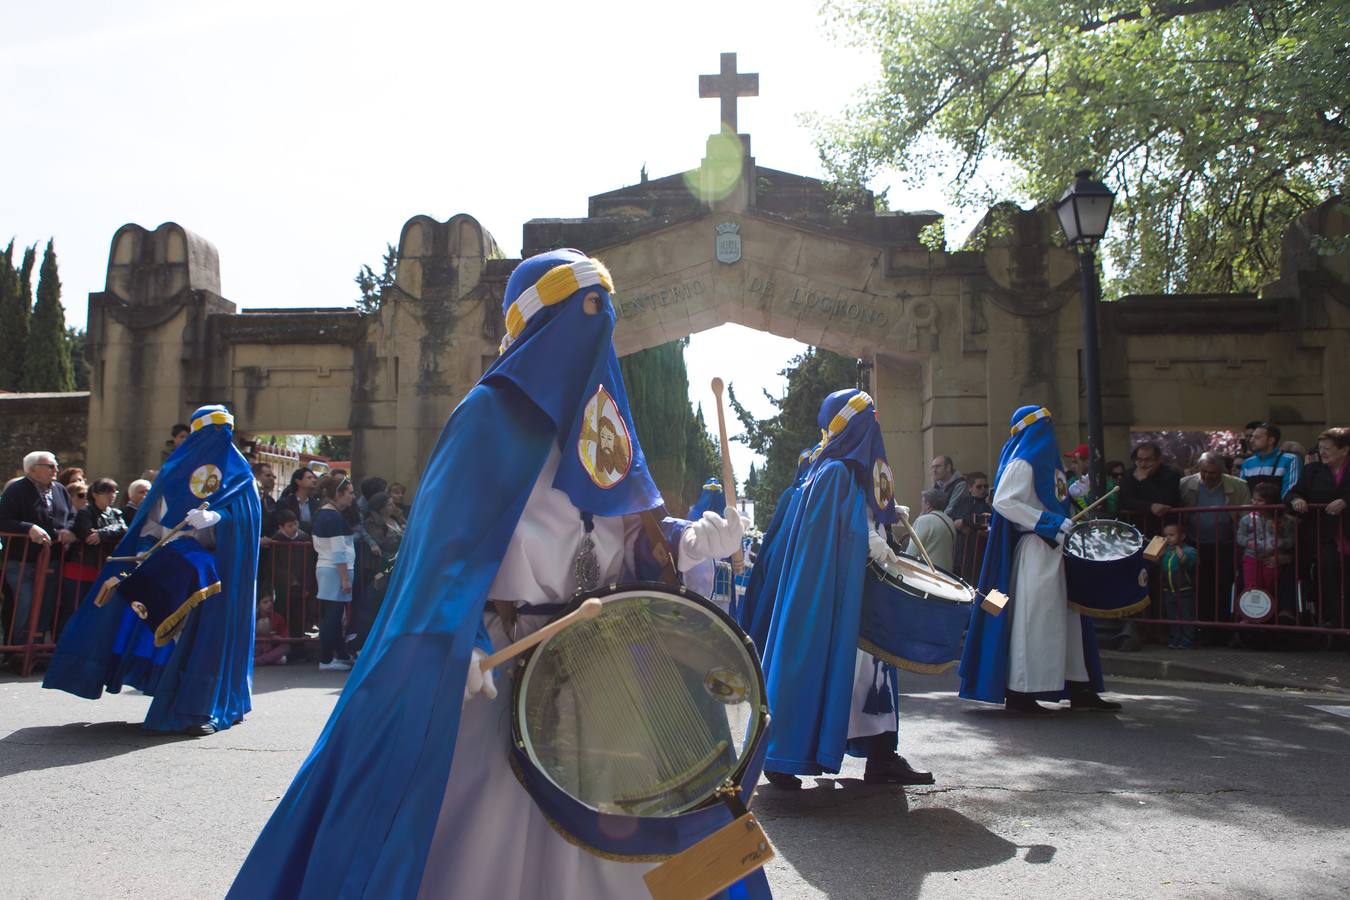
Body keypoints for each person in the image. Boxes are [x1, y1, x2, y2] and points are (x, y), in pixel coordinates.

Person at [228, 248, 756, 899]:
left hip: (610, 671)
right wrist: (463, 648)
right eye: (582, 312)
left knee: (624, 832)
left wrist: (693, 538)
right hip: (506, 669)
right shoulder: (486, 416)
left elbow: (630, 539)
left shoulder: (606, 426)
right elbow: (444, 561)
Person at [43, 404, 261, 736]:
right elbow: (151, 522)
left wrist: (221, 519)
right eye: (210, 433)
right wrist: (150, 546)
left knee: (212, 637)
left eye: (224, 432)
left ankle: (204, 705)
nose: (217, 441)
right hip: (174, 566)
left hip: (219, 572)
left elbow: (249, 520)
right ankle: (163, 687)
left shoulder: (240, 475)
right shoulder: (174, 472)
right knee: (160, 627)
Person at [754, 389, 933, 790]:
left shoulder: (842, 469)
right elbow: (844, 534)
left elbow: (860, 519)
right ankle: (785, 756)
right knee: (832, 668)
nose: (877, 424)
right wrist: (877, 541)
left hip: (860, 592)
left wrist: (884, 519)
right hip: (837, 596)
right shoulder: (834, 471)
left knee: (871, 676)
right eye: (870, 416)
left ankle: (882, 755)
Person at [959, 405, 1117, 714]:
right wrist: (1047, 522)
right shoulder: (1023, 462)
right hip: (1036, 550)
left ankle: (1078, 684)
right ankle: (1022, 691)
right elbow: (1004, 501)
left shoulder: (1046, 463)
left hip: (1056, 549)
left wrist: (1069, 506)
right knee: (1036, 621)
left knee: (1070, 621)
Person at [0, 451, 77, 646]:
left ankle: (36, 646)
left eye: (56, 466)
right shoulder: (16, 490)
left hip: (52, 558)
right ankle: (17, 648)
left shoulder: (60, 490)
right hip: (21, 559)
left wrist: (67, 530)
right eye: (50, 466)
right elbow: (4, 520)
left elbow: (71, 516)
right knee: (23, 602)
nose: (56, 470)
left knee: (46, 603)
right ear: (33, 469)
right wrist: (29, 528)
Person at [1287, 427, 1350, 626]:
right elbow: (1292, 493)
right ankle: (1333, 622)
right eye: (1320, 448)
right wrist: (1296, 500)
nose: (1322, 452)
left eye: (1328, 448)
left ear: (1344, 450)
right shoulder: (1312, 470)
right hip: (1325, 536)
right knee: (1328, 576)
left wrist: (1345, 501)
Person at [313, 476, 357, 671]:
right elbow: (338, 551)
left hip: (328, 568)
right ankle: (326, 659)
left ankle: (339, 654)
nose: (353, 497)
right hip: (334, 570)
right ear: (338, 494)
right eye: (350, 493)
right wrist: (345, 578)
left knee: (334, 615)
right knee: (333, 615)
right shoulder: (333, 516)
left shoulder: (325, 514)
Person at [1236, 482, 1294, 609]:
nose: (1255, 503)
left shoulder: (1285, 521)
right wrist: (1248, 542)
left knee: (1269, 585)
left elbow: (1291, 540)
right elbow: (1239, 537)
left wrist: (1281, 542)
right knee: (1252, 586)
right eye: (1254, 499)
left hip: (1273, 558)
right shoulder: (1246, 519)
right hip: (1251, 558)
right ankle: (1250, 616)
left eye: (1260, 500)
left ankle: (1267, 613)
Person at [1117, 441, 1181, 537]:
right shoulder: (1130, 474)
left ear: (1158, 460)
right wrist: (1149, 506)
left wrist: (1144, 480)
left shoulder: (1171, 475)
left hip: (1162, 530)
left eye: (1147, 460)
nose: (1143, 464)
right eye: (1139, 460)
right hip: (1134, 530)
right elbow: (1124, 500)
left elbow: (1166, 500)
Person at [1158, 518, 1198, 648]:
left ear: (1182, 536)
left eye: (1171, 535)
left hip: (1184, 589)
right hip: (1168, 590)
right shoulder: (1166, 552)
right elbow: (1156, 564)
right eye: (1165, 535)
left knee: (1186, 616)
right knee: (1172, 616)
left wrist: (1182, 556)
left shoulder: (1189, 550)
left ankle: (1188, 640)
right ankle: (1175, 638)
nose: (1167, 538)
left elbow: (1191, 564)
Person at [1240, 422, 1301, 499]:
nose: (1251, 440)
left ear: (1271, 440)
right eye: (1252, 437)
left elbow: (1290, 490)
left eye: (1257, 437)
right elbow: (1243, 491)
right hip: (1253, 510)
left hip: (1278, 509)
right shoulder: (1247, 463)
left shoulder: (1290, 460)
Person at [949, 472, 992, 580]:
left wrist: (964, 521)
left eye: (985, 486)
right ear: (970, 488)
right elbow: (952, 518)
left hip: (978, 553)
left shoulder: (989, 504)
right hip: (960, 551)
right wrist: (962, 525)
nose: (983, 489)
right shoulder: (963, 502)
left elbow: (984, 520)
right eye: (979, 486)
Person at [904, 488, 956, 572]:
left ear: (928, 504)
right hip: (947, 574)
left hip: (928, 573)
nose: (921, 504)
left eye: (922, 502)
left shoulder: (923, 520)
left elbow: (912, 553)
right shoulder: (949, 521)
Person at [276, 467, 321, 531]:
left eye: (314, 478)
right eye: (309, 478)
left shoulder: (316, 504)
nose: (314, 480)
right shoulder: (285, 503)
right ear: (298, 481)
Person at [254, 591, 290, 666]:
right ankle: (270, 660)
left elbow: (286, 637)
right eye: (265, 602)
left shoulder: (278, 618)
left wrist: (276, 638)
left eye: (271, 601)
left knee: (286, 647)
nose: (269, 604)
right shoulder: (253, 618)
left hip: (271, 647)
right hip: (257, 648)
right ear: (258, 604)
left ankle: (257, 661)